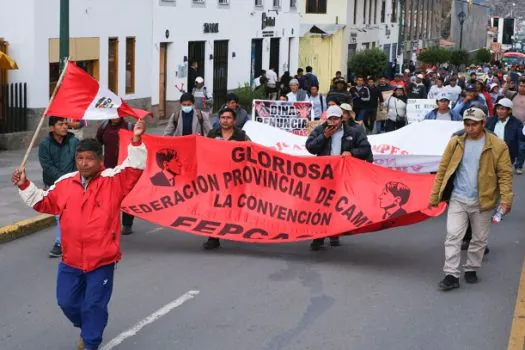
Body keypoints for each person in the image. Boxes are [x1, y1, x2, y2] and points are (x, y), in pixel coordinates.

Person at [13, 119, 147, 350]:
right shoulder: (65, 183)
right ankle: (89, 327)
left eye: (89, 159)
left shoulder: (114, 181)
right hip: (71, 260)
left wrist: (136, 140)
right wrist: (25, 185)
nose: (84, 164)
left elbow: (135, 167)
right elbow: (44, 202)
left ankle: (91, 341)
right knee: (66, 302)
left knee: (93, 305)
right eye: (80, 159)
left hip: (102, 260)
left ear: (100, 160)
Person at [429, 108, 513, 291]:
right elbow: (442, 169)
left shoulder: (498, 146)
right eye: (467, 124)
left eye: (474, 124)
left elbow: (505, 174)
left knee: (479, 239)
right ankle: (451, 274)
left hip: (483, 201)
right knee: (453, 236)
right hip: (458, 199)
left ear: (483, 124)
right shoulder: (456, 142)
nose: (470, 128)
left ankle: (472, 268)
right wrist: (435, 195)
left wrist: (506, 200)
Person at [305, 105, 373, 251]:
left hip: (343, 175)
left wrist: (351, 153)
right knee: (321, 206)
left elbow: (366, 148)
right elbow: (310, 147)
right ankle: (318, 238)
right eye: (330, 119)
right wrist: (324, 136)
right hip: (324, 175)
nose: (333, 122)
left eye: (336, 119)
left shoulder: (353, 132)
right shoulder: (320, 130)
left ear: (342, 119)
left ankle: (334, 234)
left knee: (337, 205)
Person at [203, 108, 251, 250]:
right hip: (216, 179)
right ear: (219, 120)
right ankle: (213, 237)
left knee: (232, 207)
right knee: (214, 208)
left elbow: (251, 151)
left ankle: (234, 229)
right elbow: (204, 151)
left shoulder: (241, 135)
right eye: (223, 118)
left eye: (229, 118)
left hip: (235, 179)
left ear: (234, 120)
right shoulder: (212, 134)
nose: (225, 120)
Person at [39, 117, 80, 258]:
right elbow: (47, 166)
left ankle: (65, 242)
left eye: (65, 124)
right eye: (60, 124)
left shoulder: (74, 142)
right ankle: (60, 243)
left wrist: (74, 178)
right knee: (60, 214)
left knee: (73, 214)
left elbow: (79, 160)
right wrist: (63, 180)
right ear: (52, 128)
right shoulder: (45, 145)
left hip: (74, 184)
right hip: (55, 185)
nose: (64, 127)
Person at [96, 117, 136, 235]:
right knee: (109, 197)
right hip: (109, 169)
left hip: (126, 167)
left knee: (127, 196)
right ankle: (110, 224)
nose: (115, 117)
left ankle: (127, 224)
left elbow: (137, 143)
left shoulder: (129, 127)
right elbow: (98, 144)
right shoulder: (104, 127)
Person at [485, 98, 525, 165]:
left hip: (507, 157)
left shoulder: (516, 123)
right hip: (490, 154)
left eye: (502, 109)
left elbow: (522, 138)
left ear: (509, 111)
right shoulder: (490, 121)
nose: (499, 111)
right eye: (498, 109)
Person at [508, 79, 525, 175]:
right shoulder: (513, 95)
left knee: (522, 147)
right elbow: (504, 92)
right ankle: (508, 164)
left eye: (524, 86)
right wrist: (508, 83)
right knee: (510, 145)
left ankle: (519, 166)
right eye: (521, 85)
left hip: (523, 126)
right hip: (512, 124)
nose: (522, 88)